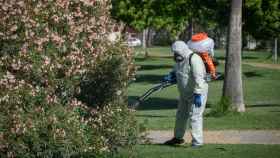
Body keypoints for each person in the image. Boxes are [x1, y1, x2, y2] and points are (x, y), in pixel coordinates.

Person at [163, 41, 208, 147]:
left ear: (183, 51)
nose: (175, 55)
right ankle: (178, 138)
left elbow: (199, 78)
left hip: (197, 93)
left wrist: (198, 94)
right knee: (181, 115)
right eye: (174, 53)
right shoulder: (179, 60)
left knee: (195, 117)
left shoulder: (194, 59)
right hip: (184, 93)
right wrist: (171, 76)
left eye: (177, 53)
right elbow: (177, 71)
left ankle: (197, 142)